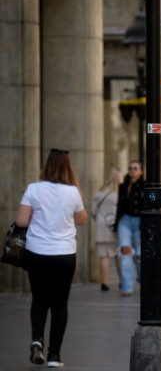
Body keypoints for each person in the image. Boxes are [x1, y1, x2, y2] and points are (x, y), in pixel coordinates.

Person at [16, 148, 88, 367]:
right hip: (64, 254)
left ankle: (37, 340)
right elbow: (82, 219)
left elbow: (21, 221)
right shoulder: (72, 192)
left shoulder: (33, 189)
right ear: (68, 167)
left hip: (36, 253)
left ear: (46, 165)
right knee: (59, 304)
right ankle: (54, 356)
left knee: (39, 300)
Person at [116, 160, 145, 297]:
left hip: (140, 220)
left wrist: (144, 226)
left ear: (141, 171)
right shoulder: (123, 186)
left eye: (135, 168)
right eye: (130, 168)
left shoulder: (145, 186)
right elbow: (119, 205)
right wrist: (116, 225)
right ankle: (126, 287)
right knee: (125, 252)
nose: (132, 170)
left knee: (140, 255)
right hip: (125, 220)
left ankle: (142, 278)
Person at [90, 168, 121, 291]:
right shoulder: (119, 193)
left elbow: (93, 211)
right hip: (115, 227)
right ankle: (122, 280)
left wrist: (99, 218)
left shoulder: (100, 192)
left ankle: (105, 282)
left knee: (104, 256)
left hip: (101, 225)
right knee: (118, 255)